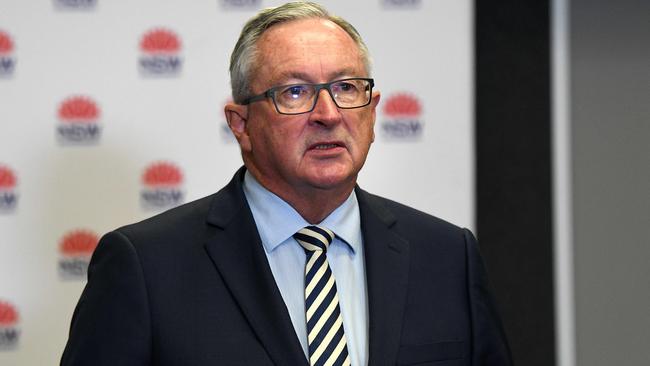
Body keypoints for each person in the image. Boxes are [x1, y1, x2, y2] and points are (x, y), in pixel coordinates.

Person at [61, 2, 512, 365]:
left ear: (372, 113)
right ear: (242, 124)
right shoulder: (145, 267)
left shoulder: (449, 257)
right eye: (294, 92)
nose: (328, 114)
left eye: (347, 88)